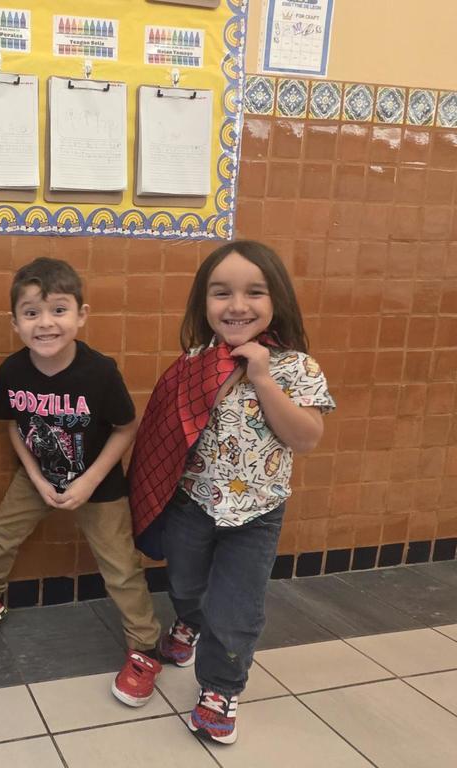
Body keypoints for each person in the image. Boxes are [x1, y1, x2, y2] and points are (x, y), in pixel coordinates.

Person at [129, 241, 334, 745]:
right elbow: (165, 431)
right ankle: (189, 621)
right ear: (204, 303)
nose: (237, 305)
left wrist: (262, 377)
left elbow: (305, 438)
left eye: (254, 292)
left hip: (256, 513)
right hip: (191, 502)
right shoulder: (195, 360)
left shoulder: (297, 368)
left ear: (277, 299)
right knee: (186, 584)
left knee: (236, 604)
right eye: (222, 293)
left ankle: (220, 688)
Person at [0, 257, 164, 708]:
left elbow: (126, 427)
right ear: (15, 323)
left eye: (58, 310)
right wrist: (33, 474)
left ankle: (146, 647)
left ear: (81, 315)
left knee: (120, 568)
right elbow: (13, 424)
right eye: (32, 313)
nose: (45, 323)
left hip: (100, 486)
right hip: (38, 476)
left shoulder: (100, 371)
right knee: (1, 532)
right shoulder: (12, 371)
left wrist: (90, 482)